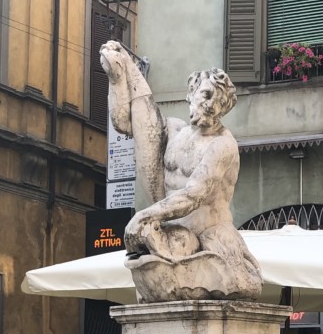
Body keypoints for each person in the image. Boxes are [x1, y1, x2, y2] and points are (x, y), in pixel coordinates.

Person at [100, 40, 262, 302]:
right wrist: (117, 76)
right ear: (192, 92)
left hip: (211, 234)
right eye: (207, 95)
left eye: (220, 103)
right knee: (148, 257)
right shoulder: (173, 131)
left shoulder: (223, 145)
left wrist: (145, 215)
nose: (212, 106)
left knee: (228, 281)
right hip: (175, 231)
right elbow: (125, 122)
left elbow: (193, 195)